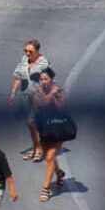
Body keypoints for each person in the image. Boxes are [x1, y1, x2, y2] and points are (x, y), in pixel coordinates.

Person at [31, 66, 74, 198]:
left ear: (51, 79)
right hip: (44, 127)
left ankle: (46, 189)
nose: (43, 82)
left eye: (46, 79)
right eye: (41, 79)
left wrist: (56, 97)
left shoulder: (59, 91)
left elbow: (64, 108)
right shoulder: (38, 91)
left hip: (58, 128)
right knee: (48, 155)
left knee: (50, 157)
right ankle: (59, 173)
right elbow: (38, 105)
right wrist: (50, 96)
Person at [9, 38, 53, 158]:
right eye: (26, 51)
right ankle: (36, 147)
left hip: (38, 97)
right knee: (30, 124)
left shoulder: (44, 62)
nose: (27, 53)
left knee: (32, 122)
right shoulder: (24, 60)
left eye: (30, 51)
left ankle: (39, 149)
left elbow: (48, 80)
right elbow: (18, 77)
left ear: (37, 51)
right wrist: (13, 93)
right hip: (25, 96)